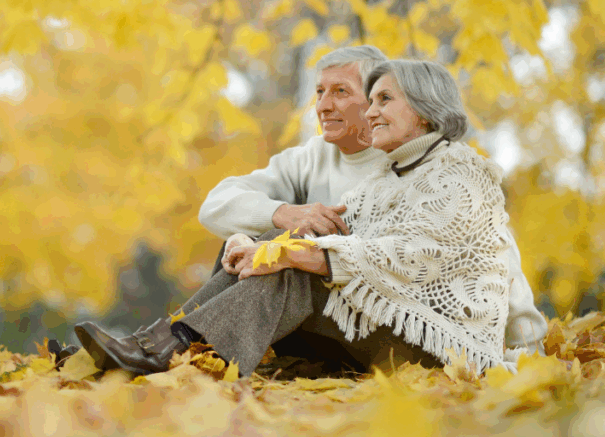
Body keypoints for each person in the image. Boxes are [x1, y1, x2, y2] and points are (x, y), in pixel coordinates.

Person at [76, 60, 523, 377]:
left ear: (425, 112)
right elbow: (342, 238)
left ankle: (169, 352)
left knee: (295, 262)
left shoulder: (461, 175)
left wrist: (288, 256)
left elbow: (408, 257)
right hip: (386, 329)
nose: (370, 113)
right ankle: (157, 347)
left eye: (384, 99)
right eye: (370, 101)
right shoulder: (391, 177)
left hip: (444, 351)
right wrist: (259, 245)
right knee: (285, 237)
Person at [200, 47, 546, 354]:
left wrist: (528, 341)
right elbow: (216, 205)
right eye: (319, 92)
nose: (323, 105)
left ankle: (185, 347)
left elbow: (494, 255)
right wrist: (281, 215)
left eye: (340, 92)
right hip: (346, 316)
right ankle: (183, 346)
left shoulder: (431, 164)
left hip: (411, 329)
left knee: (283, 256)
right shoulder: (329, 161)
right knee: (257, 245)